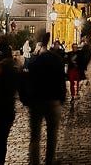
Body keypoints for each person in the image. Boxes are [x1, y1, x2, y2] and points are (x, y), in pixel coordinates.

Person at [25, 32, 66, 165]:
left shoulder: (34, 60)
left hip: (36, 101)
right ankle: (50, 160)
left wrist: (27, 98)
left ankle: (34, 161)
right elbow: (61, 80)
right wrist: (62, 98)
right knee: (52, 133)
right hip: (52, 100)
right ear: (49, 42)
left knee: (35, 135)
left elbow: (26, 77)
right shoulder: (56, 59)